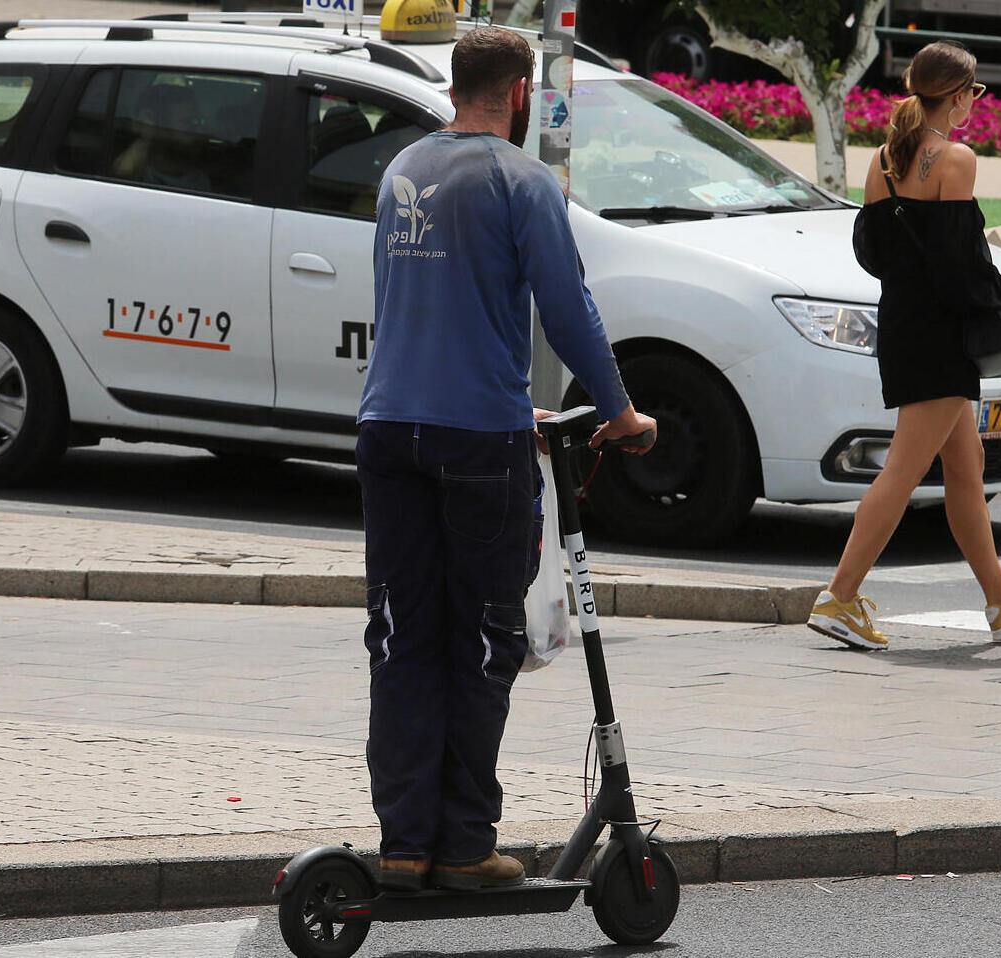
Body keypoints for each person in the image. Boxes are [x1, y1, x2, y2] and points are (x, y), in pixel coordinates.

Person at [356, 26, 658, 892]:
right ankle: (463, 847)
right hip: (477, 441)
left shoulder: (403, 168)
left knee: (401, 634)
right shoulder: (521, 179)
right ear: (521, 90)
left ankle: (403, 845)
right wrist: (621, 411)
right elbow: (569, 312)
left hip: (390, 426)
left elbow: (414, 304)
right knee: (485, 640)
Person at [807, 40, 1001, 651]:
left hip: (902, 323)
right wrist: (996, 303)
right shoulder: (956, 159)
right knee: (903, 470)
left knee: (964, 467)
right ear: (955, 95)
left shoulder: (883, 160)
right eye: (973, 92)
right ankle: (840, 599)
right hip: (943, 336)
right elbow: (963, 262)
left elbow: (872, 253)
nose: (975, 102)